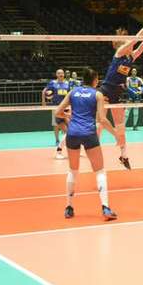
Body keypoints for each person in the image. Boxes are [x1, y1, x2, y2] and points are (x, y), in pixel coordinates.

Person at [55, 67, 119, 221]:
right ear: (95, 80)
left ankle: (69, 208)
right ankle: (105, 208)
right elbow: (102, 120)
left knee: (73, 170)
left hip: (73, 134)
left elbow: (58, 111)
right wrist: (117, 135)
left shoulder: (73, 92)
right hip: (89, 133)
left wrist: (70, 115)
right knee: (100, 171)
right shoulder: (97, 94)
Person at [98, 13, 143, 169]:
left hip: (117, 93)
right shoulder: (119, 53)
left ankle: (123, 156)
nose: (126, 40)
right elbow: (135, 40)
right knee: (100, 123)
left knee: (121, 127)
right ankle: (93, 149)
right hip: (105, 90)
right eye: (124, 39)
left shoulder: (132, 57)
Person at [43, 69, 71, 160]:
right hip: (57, 110)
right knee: (67, 131)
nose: (61, 74)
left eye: (62, 73)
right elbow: (46, 92)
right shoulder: (52, 83)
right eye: (59, 73)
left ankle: (71, 149)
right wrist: (47, 95)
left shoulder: (68, 83)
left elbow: (70, 95)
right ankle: (59, 149)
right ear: (56, 74)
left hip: (67, 109)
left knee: (72, 131)